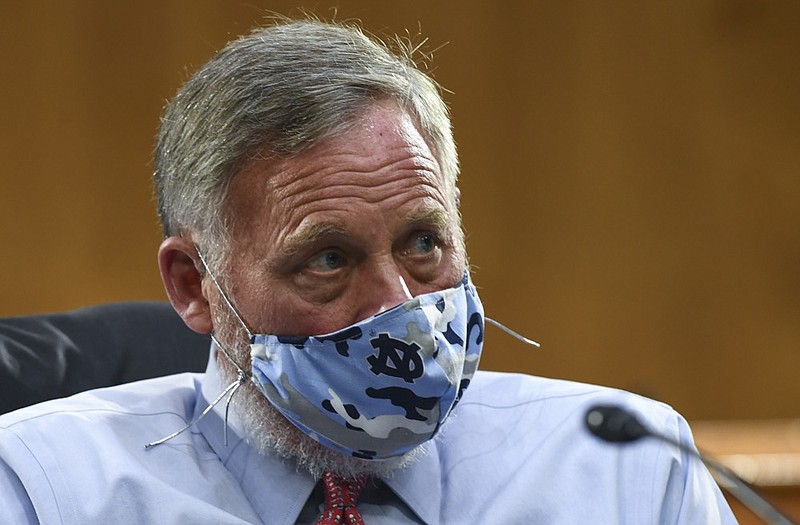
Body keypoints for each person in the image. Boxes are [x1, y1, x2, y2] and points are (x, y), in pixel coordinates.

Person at [0, 18, 735, 524]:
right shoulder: (43, 489)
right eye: (329, 259)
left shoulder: (627, 471)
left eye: (423, 244)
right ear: (194, 285)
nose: (401, 307)